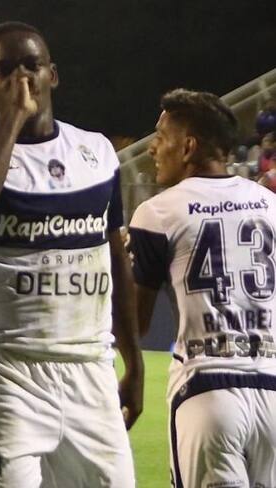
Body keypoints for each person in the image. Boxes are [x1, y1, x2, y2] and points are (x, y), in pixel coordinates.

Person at [0, 21, 143, 487]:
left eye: (32, 65)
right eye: (4, 70)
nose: (21, 78)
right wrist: (13, 118)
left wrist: (135, 362)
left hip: (91, 369)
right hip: (11, 374)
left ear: (53, 74)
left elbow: (115, 261)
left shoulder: (96, 152)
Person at [129, 89, 276, 488]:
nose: (153, 148)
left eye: (162, 137)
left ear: (189, 146)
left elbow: (135, 322)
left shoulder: (158, 212)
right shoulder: (270, 203)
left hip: (207, 389)